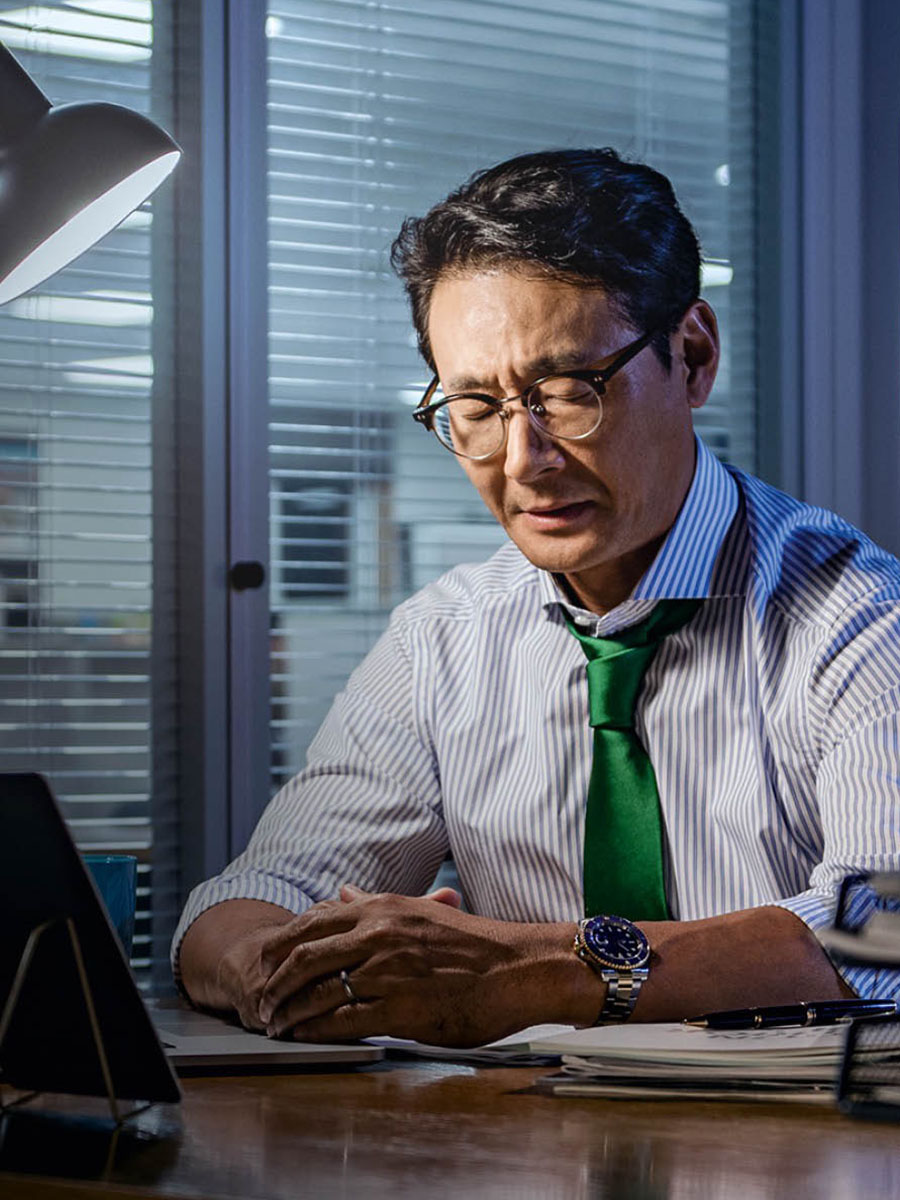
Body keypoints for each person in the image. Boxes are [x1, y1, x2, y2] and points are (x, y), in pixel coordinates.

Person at [174, 148, 900, 1046]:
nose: (524, 462)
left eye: (567, 392)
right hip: (522, 1153)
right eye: (476, 407)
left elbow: (887, 931)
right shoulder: (442, 638)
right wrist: (267, 970)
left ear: (694, 355)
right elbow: (258, 896)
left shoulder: (861, 616)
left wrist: (533, 973)